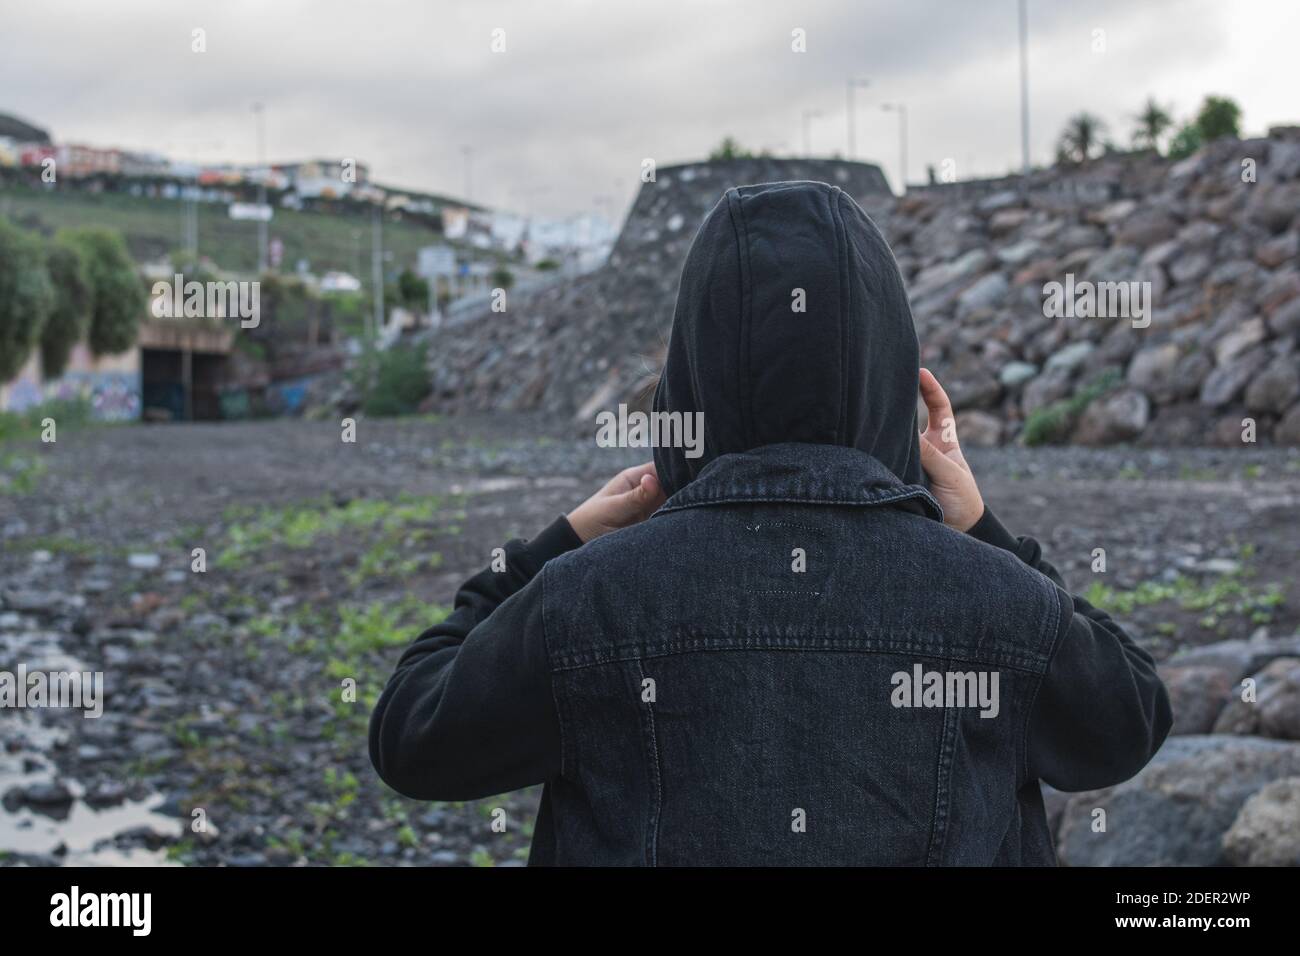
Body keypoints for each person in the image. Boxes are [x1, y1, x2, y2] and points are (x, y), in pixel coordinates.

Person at [369, 181, 1171, 866]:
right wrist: (985, 531)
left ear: (690, 368)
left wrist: (554, 548)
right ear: (891, 362)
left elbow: (414, 736)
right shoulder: (997, 603)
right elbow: (1127, 722)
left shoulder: (587, 601)